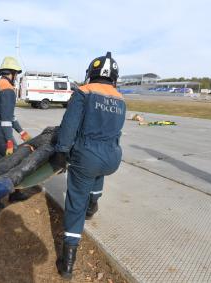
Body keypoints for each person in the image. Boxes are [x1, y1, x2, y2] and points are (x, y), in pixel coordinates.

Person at [51, 52, 126, 279]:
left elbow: (69, 125)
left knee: (75, 203)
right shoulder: (121, 98)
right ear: (114, 77)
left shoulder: (84, 92)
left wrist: (62, 152)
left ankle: (68, 262)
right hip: (112, 156)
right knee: (98, 171)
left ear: (91, 73)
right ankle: (93, 205)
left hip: (87, 155)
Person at [0, 56, 32, 207]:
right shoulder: (8, 89)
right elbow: (6, 120)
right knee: (17, 160)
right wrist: (9, 140)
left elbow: (8, 114)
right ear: (13, 73)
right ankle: (15, 193)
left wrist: (22, 132)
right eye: (17, 74)